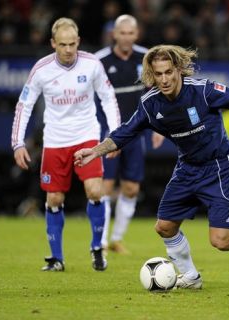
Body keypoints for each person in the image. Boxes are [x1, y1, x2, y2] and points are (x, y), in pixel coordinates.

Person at [74, 44, 229, 289]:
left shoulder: (203, 90)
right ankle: (191, 277)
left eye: (168, 72)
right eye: (158, 74)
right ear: (151, 75)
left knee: (220, 241)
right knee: (164, 227)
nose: (164, 79)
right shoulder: (150, 104)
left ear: (177, 70)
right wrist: (95, 151)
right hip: (186, 169)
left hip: (218, 167)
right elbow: (124, 133)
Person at [11, 17, 120, 272]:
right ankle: (56, 258)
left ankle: (97, 248)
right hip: (55, 140)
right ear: (53, 43)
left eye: (72, 44)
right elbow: (24, 105)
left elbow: (108, 98)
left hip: (87, 136)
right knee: (54, 199)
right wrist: (17, 143)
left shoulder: (92, 64)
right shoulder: (41, 69)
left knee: (95, 190)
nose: (68, 50)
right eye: (63, 44)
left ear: (79, 42)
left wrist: (114, 136)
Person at [94, 14, 164, 254]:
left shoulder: (147, 58)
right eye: (121, 33)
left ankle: (116, 239)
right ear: (114, 34)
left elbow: (158, 93)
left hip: (136, 132)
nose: (125, 37)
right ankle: (100, 242)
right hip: (108, 133)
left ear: (136, 34)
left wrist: (157, 127)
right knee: (105, 186)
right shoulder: (99, 61)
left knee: (132, 188)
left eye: (130, 33)